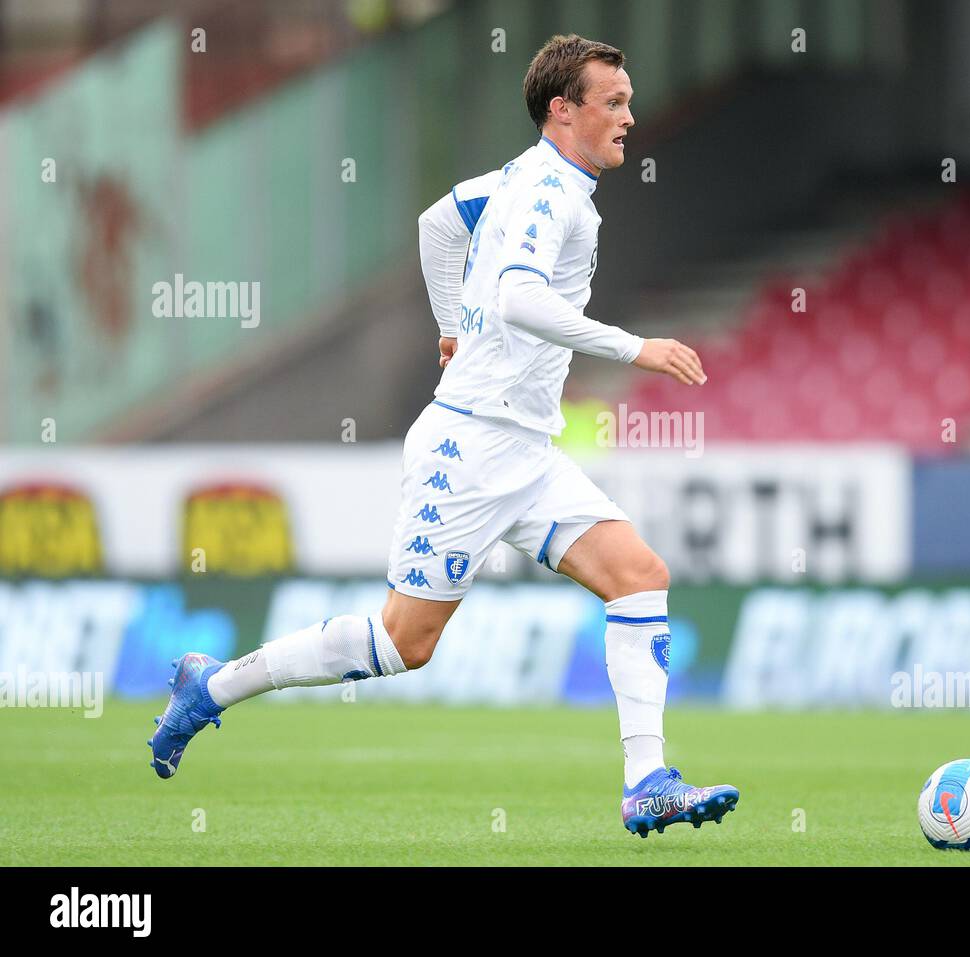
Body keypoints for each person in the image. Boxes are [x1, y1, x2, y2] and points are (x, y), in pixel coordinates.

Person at [148, 35, 740, 838]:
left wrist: (448, 327)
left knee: (639, 575)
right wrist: (636, 348)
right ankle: (211, 686)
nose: (630, 117)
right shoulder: (546, 195)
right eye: (615, 102)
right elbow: (521, 297)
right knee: (404, 643)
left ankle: (647, 782)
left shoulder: (521, 179)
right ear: (563, 110)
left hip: (525, 447)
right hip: (470, 446)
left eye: (629, 101)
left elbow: (438, 223)